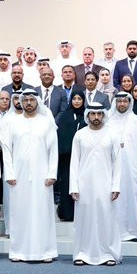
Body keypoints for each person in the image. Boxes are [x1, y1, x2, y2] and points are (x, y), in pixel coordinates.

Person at [2, 89, 59, 263]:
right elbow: (6, 148)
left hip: (43, 175)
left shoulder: (46, 122)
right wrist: (9, 172)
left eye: (31, 100)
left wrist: (52, 173)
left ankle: (45, 251)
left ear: (37, 102)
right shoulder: (12, 122)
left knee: (42, 212)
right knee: (20, 212)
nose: (28, 103)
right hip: (18, 175)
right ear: (20, 102)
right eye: (25, 100)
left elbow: (53, 149)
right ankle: (19, 251)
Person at [68, 103, 123, 265]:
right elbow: (74, 162)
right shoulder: (80, 135)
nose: (96, 117)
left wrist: (116, 186)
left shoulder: (112, 134)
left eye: (99, 114)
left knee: (106, 219)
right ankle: (82, 254)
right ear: (87, 115)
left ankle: (108, 254)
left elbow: (117, 162)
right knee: (84, 220)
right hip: (84, 185)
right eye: (93, 114)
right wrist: (73, 186)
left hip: (106, 184)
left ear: (103, 115)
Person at [107, 92, 137, 242]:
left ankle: (134, 231)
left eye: (125, 101)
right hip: (112, 164)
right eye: (119, 101)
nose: (122, 104)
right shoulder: (108, 119)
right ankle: (114, 231)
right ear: (115, 103)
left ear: (129, 103)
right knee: (114, 195)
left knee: (132, 195)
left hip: (131, 165)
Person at [55, 91, 87, 220]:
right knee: (67, 183)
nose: (77, 101)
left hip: (84, 158)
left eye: (79, 99)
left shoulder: (87, 115)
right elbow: (61, 136)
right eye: (74, 99)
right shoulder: (65, 116)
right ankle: (67, 213)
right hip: (67, 158)